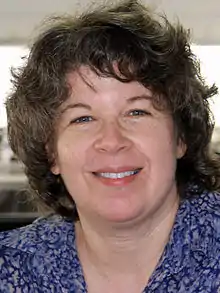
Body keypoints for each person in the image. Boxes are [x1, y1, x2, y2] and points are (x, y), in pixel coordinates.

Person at [0, 0, 220, 292]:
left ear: (180, 137)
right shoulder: (11, 268)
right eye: (83, 118)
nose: (112, 141)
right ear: (51, 152)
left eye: (137, 112)